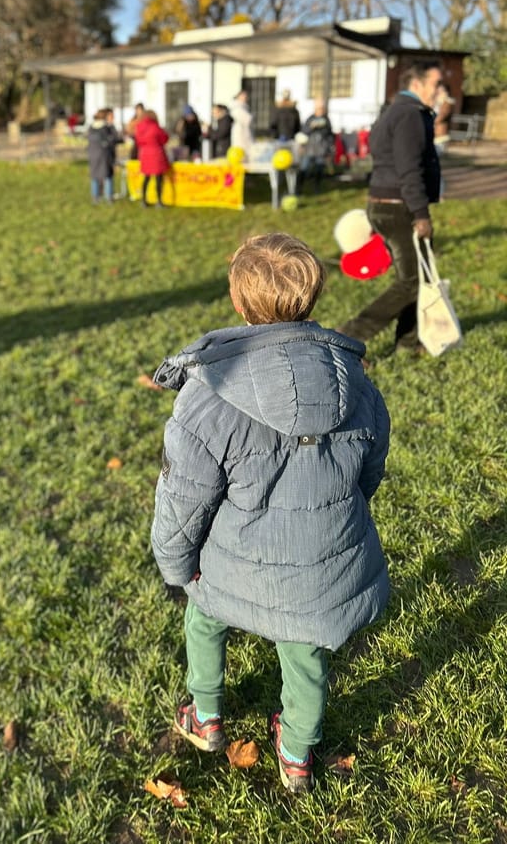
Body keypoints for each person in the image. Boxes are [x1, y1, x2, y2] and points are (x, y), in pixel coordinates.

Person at [150, 233, 390, 794]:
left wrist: (176, 566)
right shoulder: (356, 383)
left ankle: (205, 716)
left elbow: (183, 499)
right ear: (312, 298)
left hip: (231, 566)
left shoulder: (207, 392)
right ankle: (297, 752)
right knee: (306, 649)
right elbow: (370, 468)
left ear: (238, 302)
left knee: (204, 616)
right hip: (319, 569)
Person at [339, 61, 442, 355]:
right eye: (435, 85)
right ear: (417, 85)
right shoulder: (410, 116)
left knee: (418, 276)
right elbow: (409, 169)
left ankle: (408, 343)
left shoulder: (391, 112)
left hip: (384, 203)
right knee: (412, 281)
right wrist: (421, 213)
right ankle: (349, 336)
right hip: (400, 207)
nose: (439, 91)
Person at [133, 108, 170, 206]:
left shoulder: (139, 127)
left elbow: (138, 142)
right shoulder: (155, 127)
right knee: (158, 178)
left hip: (145, 154)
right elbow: (164, 138)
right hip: (156, 154)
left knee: (146, 177)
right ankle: (159, 201)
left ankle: (144, 200)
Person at [296, 100, 335, 193]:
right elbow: (304, 132)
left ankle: (316, 188)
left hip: (321, 150)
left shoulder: (326, 119)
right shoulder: (310, 118)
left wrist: (329, 148)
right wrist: (311, 127)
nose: (320, 110)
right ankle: (298, 188)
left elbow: (330, 134)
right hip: (309, 149)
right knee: (303, 169)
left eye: (322, 108)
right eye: (318, 108)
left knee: (319, 170)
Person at [87, 107, 122, 203]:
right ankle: (109, 197)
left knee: (95, 176)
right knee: (108, 175)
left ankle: (95, 197)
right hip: (105, 155)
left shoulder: (91, 127)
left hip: (93, 154)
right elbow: (115, 139)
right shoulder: (107, 127)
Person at [230, 89, 254, 158]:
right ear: (238, 96)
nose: (245, 98)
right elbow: (247, 119)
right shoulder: (236, 107)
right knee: (240, 154)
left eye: (246, 96)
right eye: (243, 96)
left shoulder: (244, 107)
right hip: (240, 133)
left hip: (245, 133)